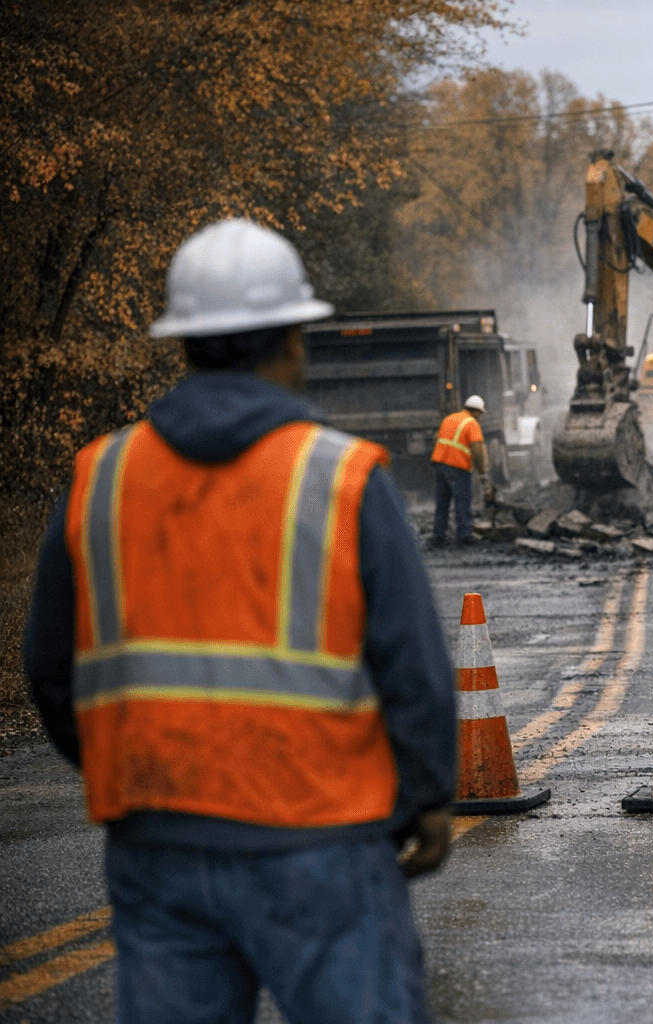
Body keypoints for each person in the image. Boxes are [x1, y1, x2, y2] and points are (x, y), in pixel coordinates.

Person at [21, 219, 458, 1024]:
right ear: (293, 338)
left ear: (182, 342)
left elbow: (51, 668)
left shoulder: (102, 476)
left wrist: (133, 775)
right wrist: (429, 796)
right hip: (320, 838)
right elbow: (413, 664)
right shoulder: (340, 476)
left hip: (157, 839)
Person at [431, 394, 488, 546]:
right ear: (476, 412)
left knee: (442, 503)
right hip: (457, 467)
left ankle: (438, 536)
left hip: (439, 465)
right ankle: (463, 536)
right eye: (480, 414)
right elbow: (477, 450)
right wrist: (482, 473)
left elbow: (435, 438)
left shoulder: (450, 418)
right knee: (462, 501)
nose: (480, 418)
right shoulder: (472, 424)